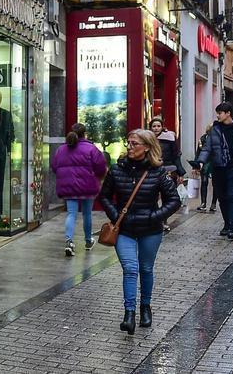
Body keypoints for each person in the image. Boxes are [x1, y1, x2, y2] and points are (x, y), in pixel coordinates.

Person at [99, 129, 181, 335]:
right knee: (130, 268)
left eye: (134, 144)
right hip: (124, 230)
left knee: (145, 268)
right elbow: (105, 196)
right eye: (128, 143)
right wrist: (116, 215)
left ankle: (146, 307)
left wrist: (155, 217)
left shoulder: (158, 172)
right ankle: (129, 313)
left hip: (150, 230)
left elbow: (174, 201)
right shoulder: (117, 169)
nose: (129, 147)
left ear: (147, 147)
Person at [193, 102, 233, 240]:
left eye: (220, 113)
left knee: (232, 196)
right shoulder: (215, 129)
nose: (217, 115)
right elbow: (207, 148)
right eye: (217, 113)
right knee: (222, 197)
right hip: (218, 168)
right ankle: (226, 224)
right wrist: (200, 161)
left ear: (228, 113)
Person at [51, 123, 108, 256]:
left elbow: (55, 167)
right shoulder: (91, 149)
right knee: (87, 214)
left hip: (69, 187)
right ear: (85, 133)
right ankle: (88, 241)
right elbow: (100, 167)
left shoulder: (61, 149)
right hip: (87, 187)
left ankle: (69, 241)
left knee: (71, 214)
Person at [150, 117, 184, 232]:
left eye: (158, 126)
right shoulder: (147, 139)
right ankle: (154, 219)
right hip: (152, 170)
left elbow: (176, 155)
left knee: (167, 196)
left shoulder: (169, 137)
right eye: (154, 126)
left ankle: (164, 220)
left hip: (168, 170)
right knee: (152, 196)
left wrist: (180, 172)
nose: (156, 128)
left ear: (162, 127)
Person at [194, 124, 217, 214]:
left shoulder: (219, 139)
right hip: (205, 163)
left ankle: (213, 203)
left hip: (215, 163)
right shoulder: (203, 138)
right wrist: (195, 165)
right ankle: (203, 203)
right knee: (204, 182)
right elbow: (198, 152)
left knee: (216, 183)